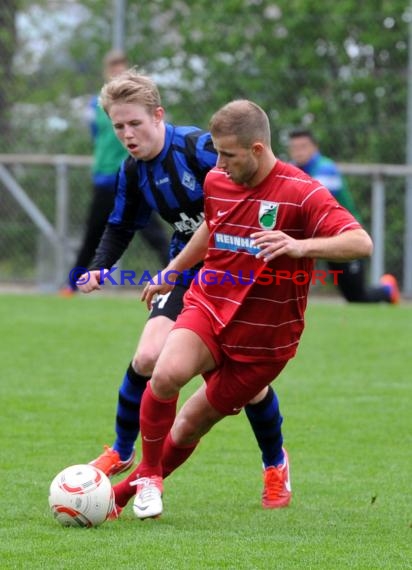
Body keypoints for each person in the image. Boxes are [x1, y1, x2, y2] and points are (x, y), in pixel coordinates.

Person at [109, 99, 373, 520]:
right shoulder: (217, 178)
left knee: (191, 422)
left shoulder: (301, 191)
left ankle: (130, 490)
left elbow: (361, 242)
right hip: (209, 302)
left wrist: (300, 246)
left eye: (228, 155)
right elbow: (212, 226)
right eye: (216, 152)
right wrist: (173, 270)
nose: (219, 164)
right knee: (165, 373)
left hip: (266, 338)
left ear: (256, 149)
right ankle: (141, 486)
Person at [78, 71, 289, 509]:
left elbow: (236, 202)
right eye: (118, 126)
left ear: (159, 115)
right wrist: (99, 268)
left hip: (234, 273)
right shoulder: (134, 171)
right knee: (148, 357)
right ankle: (122, 450)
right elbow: (119, 225)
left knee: (247, 387)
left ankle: (275, 465)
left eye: (135, 123)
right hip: (186, 270)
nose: (127, 134)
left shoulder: (198, 148)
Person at [59, 50, 169, 296]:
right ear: (106, 74)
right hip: (106, 177)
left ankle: (175, 276)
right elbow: (96, 136)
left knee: (155, 234)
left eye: (122, 69)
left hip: (134, 179)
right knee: (95, 232)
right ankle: (72, 284)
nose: (126, 131)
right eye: (113, 69)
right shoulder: (97, 107)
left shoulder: (138, 109)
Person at [288, 128, 399, 303]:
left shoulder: (325, 168)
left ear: (315, 148)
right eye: (294, 148)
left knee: (356, 297)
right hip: (317, 237)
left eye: (303, 146)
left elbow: (311, 199)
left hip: (343, 235)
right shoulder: (292, 170)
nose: (298, 152)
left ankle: (387, 289)